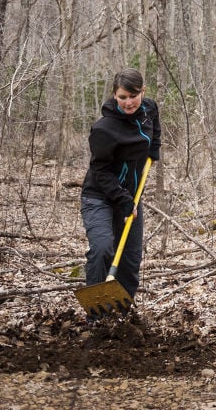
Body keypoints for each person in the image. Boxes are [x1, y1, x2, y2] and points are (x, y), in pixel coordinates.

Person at [80, 68, 162, 306]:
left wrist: (154, 146)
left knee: (130, 259)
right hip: (100, 197)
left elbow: (155, 127)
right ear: (114, 95)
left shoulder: (149, 109)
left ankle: (122, 313)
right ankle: (97, 313)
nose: (128, 102)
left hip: (132, 197)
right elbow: (100, 171)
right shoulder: (104, 129)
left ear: (142, 91)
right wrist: (123, 200)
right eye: (122, 97)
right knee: (103, 248)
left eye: (133, 96)